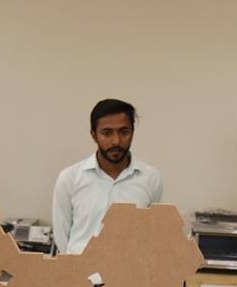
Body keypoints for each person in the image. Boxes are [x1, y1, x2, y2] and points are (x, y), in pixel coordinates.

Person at [52, 99, 163, 254]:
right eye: (107, 133)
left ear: (132, 132)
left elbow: (151, 233)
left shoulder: (151, 178)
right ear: (94, 135)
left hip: (130, 268)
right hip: (80, 268)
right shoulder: (69, 178)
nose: (116, 141)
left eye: (124, 132)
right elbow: (62, 237)